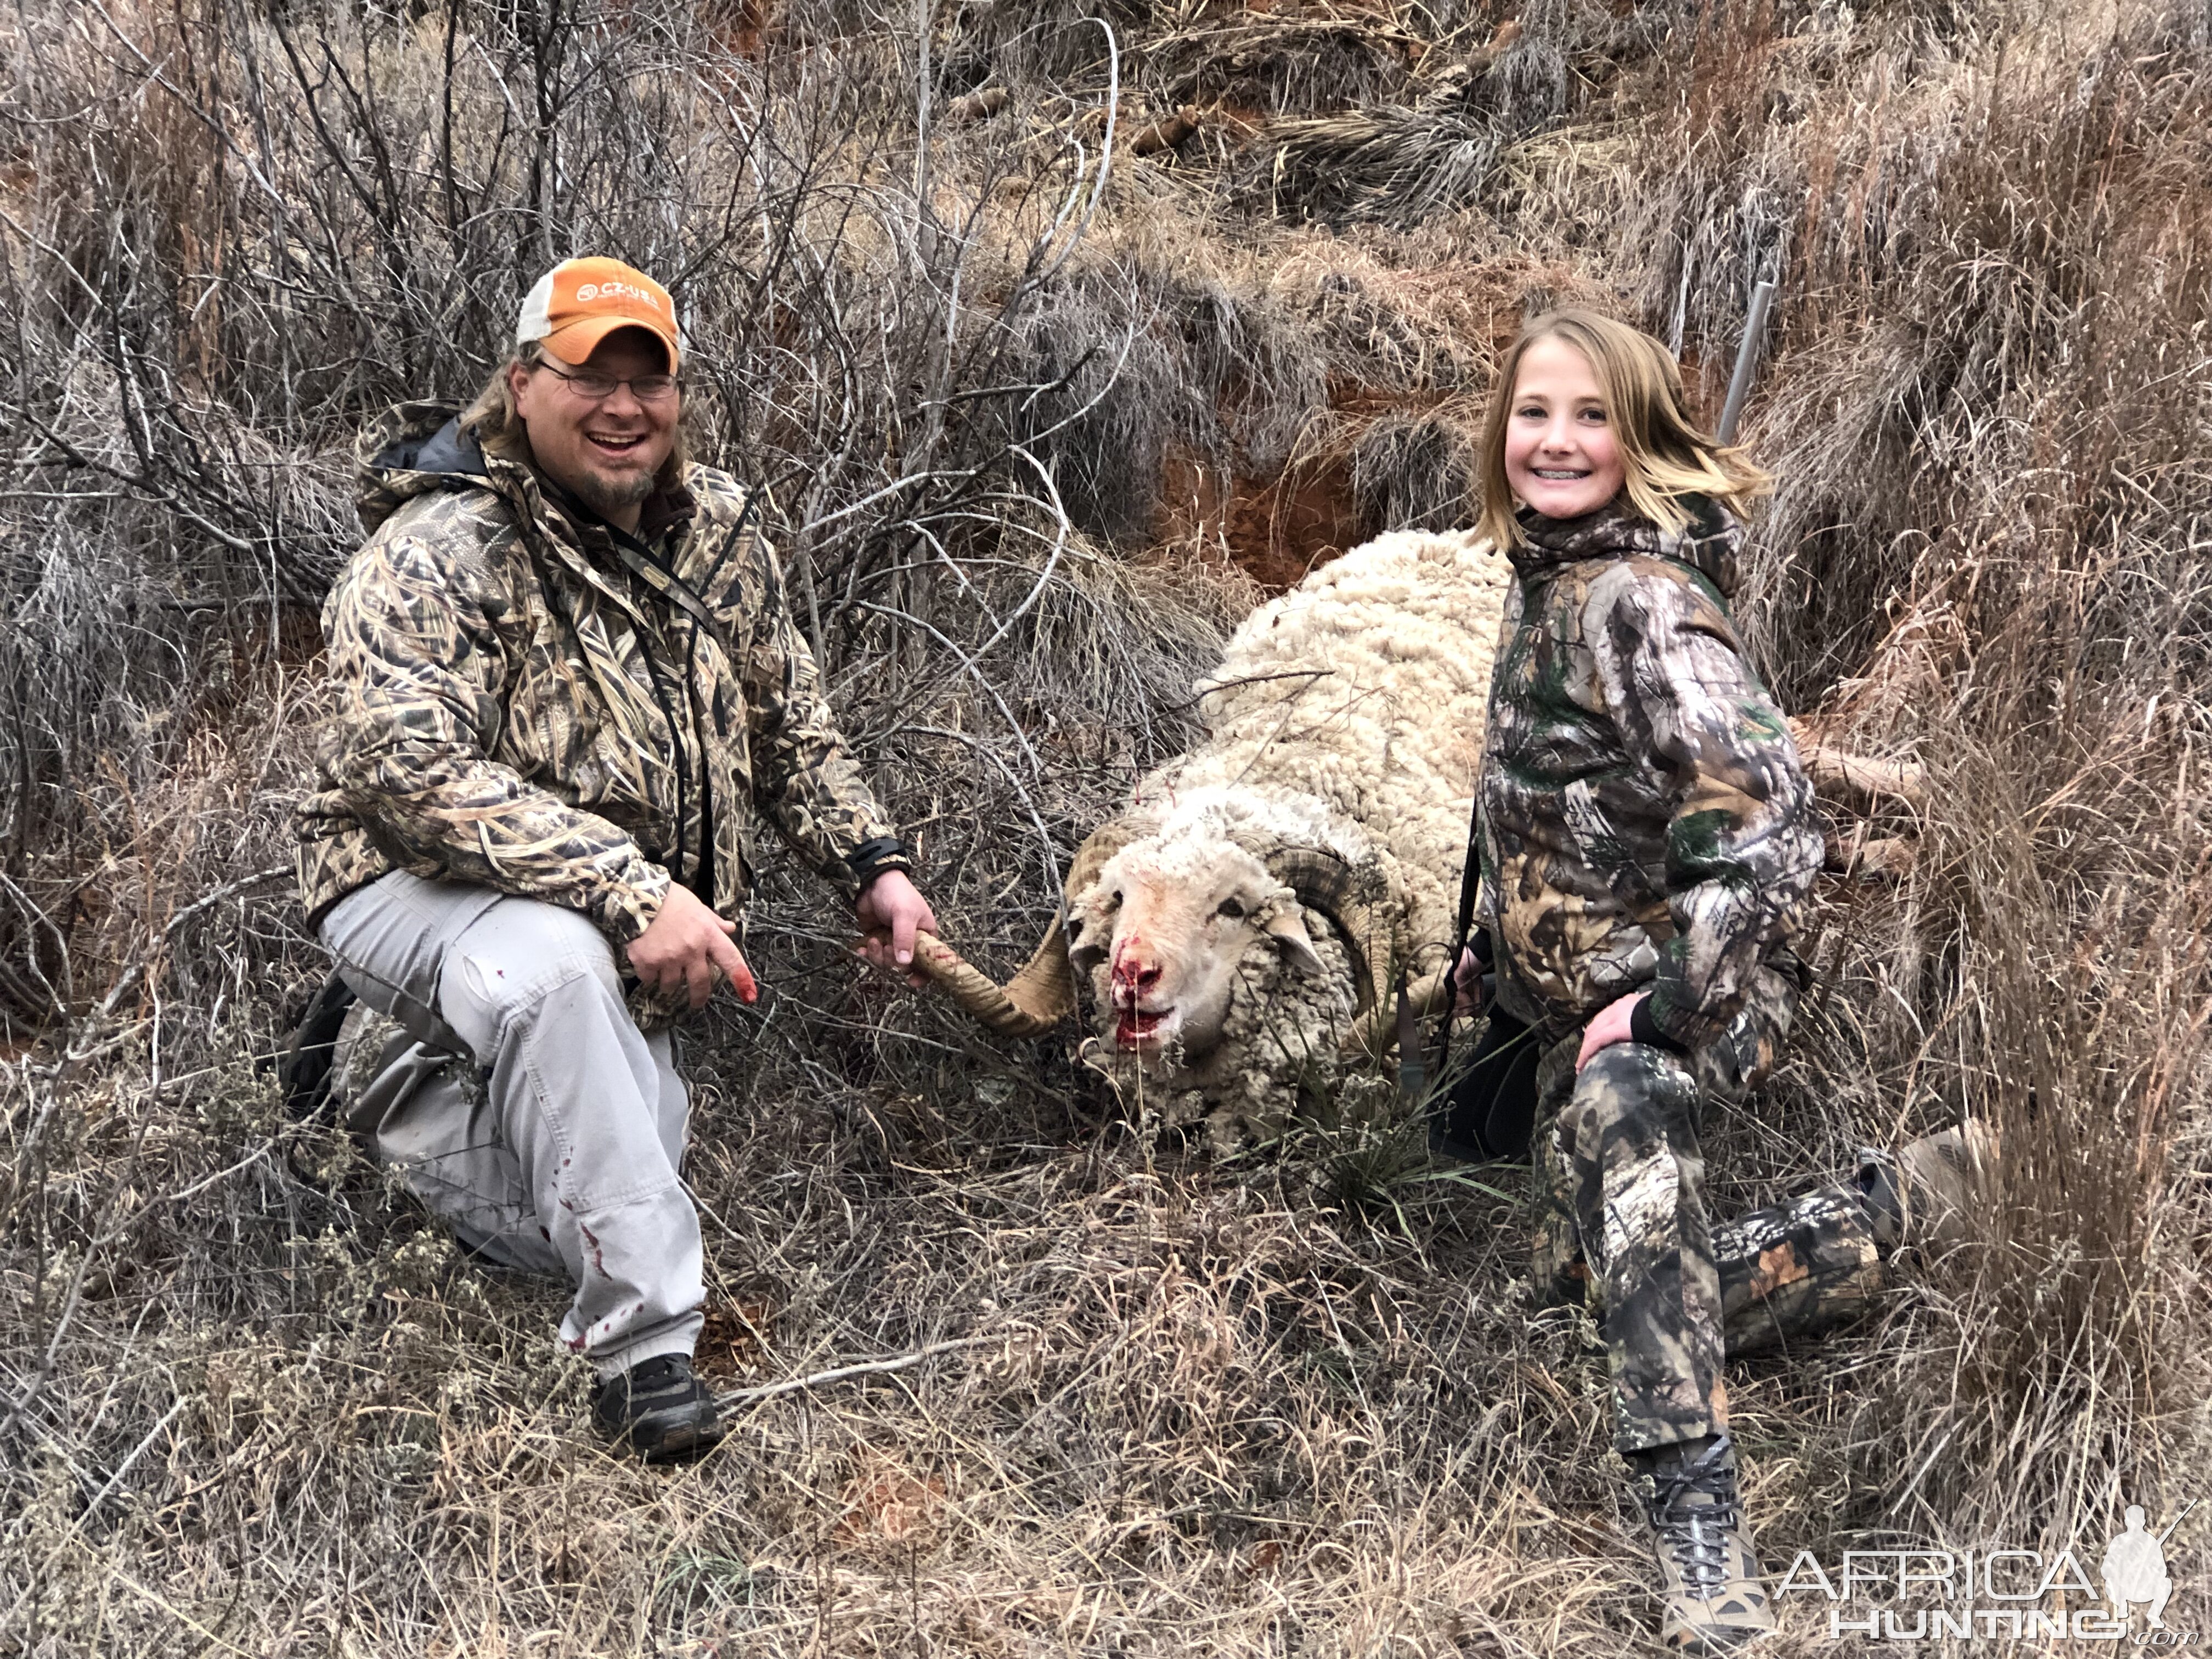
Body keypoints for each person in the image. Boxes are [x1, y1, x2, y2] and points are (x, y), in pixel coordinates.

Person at [293, 257, 938, 1462]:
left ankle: (380, 1090)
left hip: (605, 919)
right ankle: (646, 1363)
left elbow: (786, 722)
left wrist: (872, 867)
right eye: (592, 376)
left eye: (651, 379)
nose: (624, 406)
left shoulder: (721, 529)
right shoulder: (437, 549)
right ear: (521, 385)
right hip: (405, 883)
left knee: (607, 1182)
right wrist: (637, 891)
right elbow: (408, 773)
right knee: (554, 983)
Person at [1458, 308, 1993, 1652]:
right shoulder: (1548, 580)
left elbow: (1773, 834)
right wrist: (1500, 954)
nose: (1558, 440)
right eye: (1536, 413)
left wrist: (1662, 1012)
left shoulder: (1641, 602)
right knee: (1590, 1293)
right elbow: (1556, 806)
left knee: (1631, 1126)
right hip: (1565, 1007)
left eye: (1592, 416)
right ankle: (1919, 1197)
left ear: (1638, 439)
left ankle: (1705, 1539)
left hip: (1672, 1017)